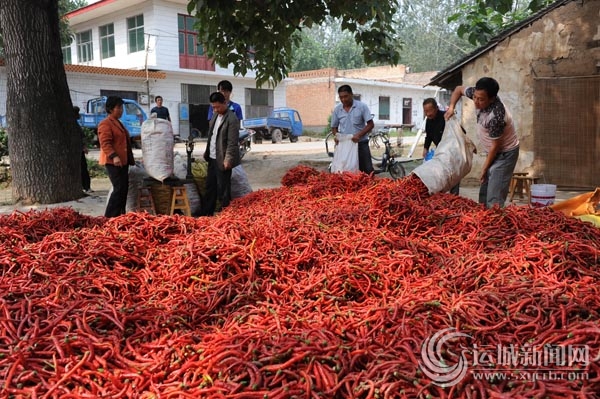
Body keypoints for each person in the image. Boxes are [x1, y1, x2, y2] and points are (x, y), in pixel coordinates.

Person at [445, 77, 519, 208]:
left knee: (494, 198)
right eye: (475, 97)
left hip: (505, 154)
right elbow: (458, 90)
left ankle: (496, 224)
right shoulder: (477, 93)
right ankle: (484, 219)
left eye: (481, 99)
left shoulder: (496, 115)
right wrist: (451, 107)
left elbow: (496, 146)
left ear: (491, 98)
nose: (476, 102)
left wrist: (485, 167)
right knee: (484, 194)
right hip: (492, 151)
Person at [200, 92, 241, 216]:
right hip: (212, 157)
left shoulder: (232, 119)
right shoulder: (214, 116)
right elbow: (212, 136)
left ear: (225, 103)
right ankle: (207, 213)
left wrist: (228, 159)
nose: (216, 109)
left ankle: (226, 215)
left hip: (223, 159)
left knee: (223, 189)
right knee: (210, 187)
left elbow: (232, 142)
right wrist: (207, 151)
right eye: (213, 107)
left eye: (218, 107)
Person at [98, 96, 135, 217]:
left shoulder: (119, 123)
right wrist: (114, 156)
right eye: (118, 107)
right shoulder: (105, 124)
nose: (121, 110)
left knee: (123, 189)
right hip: (113, 162)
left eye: (121, 107)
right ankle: (109, 216)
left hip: (123, 162)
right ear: (110, 109)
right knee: (118, 188)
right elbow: (105, 143)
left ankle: (120, 215)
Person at [330, 85, 374, 174]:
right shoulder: (337, 110)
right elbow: (334, 127)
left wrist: (359, 135)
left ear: (351, 95)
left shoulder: (362, 107)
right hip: (345, 146)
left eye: (345, 96)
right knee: (345, 171)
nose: (343, 100)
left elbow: (370, 124)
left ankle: (369, 187)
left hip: (361, 144)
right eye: (341, 97)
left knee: (367, 171)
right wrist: (337, 136)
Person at [422, 98, 459, 195]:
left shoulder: (446, 116)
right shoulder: (428, 121)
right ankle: (443, 196)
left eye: (430, 110)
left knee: (453, 174)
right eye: (426, 111)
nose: (428, 113)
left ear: (436, 108)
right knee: (442, 173)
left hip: (452, 150)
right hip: (441, 151)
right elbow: (428, 136)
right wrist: (425, 148)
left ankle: (454, 196)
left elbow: (459, 131)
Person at [74, 106, 91, 193]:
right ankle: (86, 186)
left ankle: (86, 186)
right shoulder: (73, 125)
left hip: (79, 150)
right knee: (82, 168)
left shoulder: (76, 125)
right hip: (77, 150)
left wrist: (84, 146)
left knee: (83, 168)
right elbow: (82, 137)